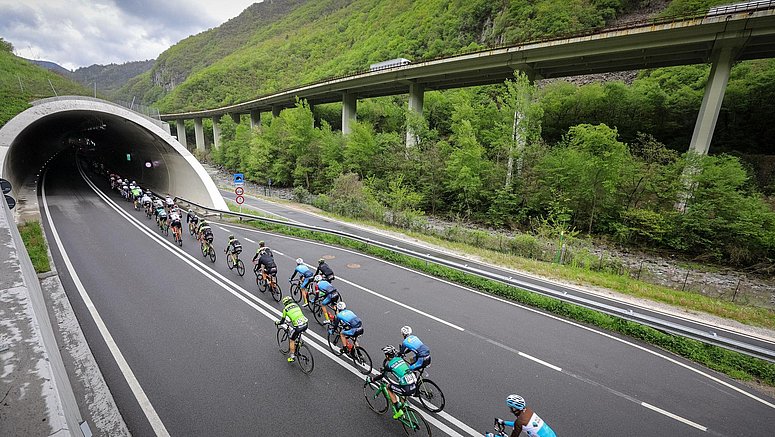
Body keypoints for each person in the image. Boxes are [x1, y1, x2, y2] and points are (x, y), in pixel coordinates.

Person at [367, 345, 417, 420]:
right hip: (414, 384)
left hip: (406, 387)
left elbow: (382, 376)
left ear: (387, 356)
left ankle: (398, 410)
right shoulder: (400, 359)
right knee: (401, 389)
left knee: (388, 387)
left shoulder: (389, 365)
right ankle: (403, 406)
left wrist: (373, 379)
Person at [491, 395, 557, 437]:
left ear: (515, 408)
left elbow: (518, 426)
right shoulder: (528, 411)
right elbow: (521, 425)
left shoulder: (520, 421)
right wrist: (503, 422)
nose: (511, 411)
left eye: (511, 408)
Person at [274, 296, 308, 362]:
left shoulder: (285, 309)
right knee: (297, 332)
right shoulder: (296, 305)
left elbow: (282, 321)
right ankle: (299, 343)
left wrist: (277, 323)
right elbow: (296, 314)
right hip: (306, 323)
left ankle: (292, 357)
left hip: (298, 327)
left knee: (292, 340)